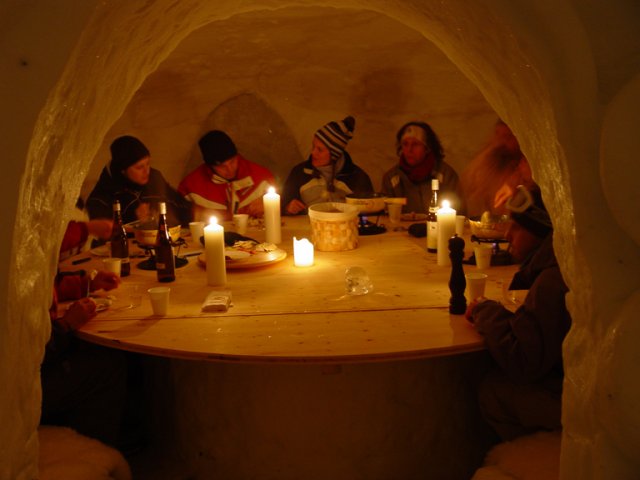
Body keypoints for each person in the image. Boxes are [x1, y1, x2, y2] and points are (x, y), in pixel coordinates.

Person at [465, 185, 571, 441]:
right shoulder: (555, 264)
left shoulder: (551, 280)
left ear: (539, 232)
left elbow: (522, 360)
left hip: (574, 402)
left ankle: (540, 455)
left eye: (517, 227)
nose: (508, 234)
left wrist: (485, 311)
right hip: (577, 385)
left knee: (493, 391)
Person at [41, 266, 126, 448]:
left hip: (40, 361)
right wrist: (65, 325)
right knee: (108, 365)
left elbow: (45, 284)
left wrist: (86, 284)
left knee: (93, 349)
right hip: (22, 387)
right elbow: (26, 350)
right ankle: (93, 451)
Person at [86, 135, 192, 227]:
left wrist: (195, 212)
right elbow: (104, 233)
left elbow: (177, 203)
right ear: (123, 170)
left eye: (148, 163)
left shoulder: (154, 179)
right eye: (139, 167)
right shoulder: (103, 196)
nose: (147, 171)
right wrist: (134, 220)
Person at [282, 116, 374, 215]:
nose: (313, 153)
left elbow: (370, 212)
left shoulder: (357, 178)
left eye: (320, 150)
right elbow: (281, 207)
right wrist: (287, 208)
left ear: (334, 154)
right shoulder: (299, 173)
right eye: (313, 146)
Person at [178, 130, 276, 221]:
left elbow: (280, 208)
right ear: (210, 166)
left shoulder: (262, 177)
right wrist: (195, 213)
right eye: (222, 166)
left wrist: (269, 207)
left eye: (232, 161)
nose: (230, 169)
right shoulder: (190, 187)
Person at [381, 121, 463, 214]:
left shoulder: (446, 175)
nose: (409, 149)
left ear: (427, 148)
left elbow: (459, 213)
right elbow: (385, 216)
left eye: (415, 144)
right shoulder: (391, 178)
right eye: (405, 144)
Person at [461, 119, 534, 217]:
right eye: (497, 134)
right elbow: (468, 186)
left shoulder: (526, 168)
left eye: (507, 136)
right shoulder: (489, 159)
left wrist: (514, 185)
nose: (501, 141)